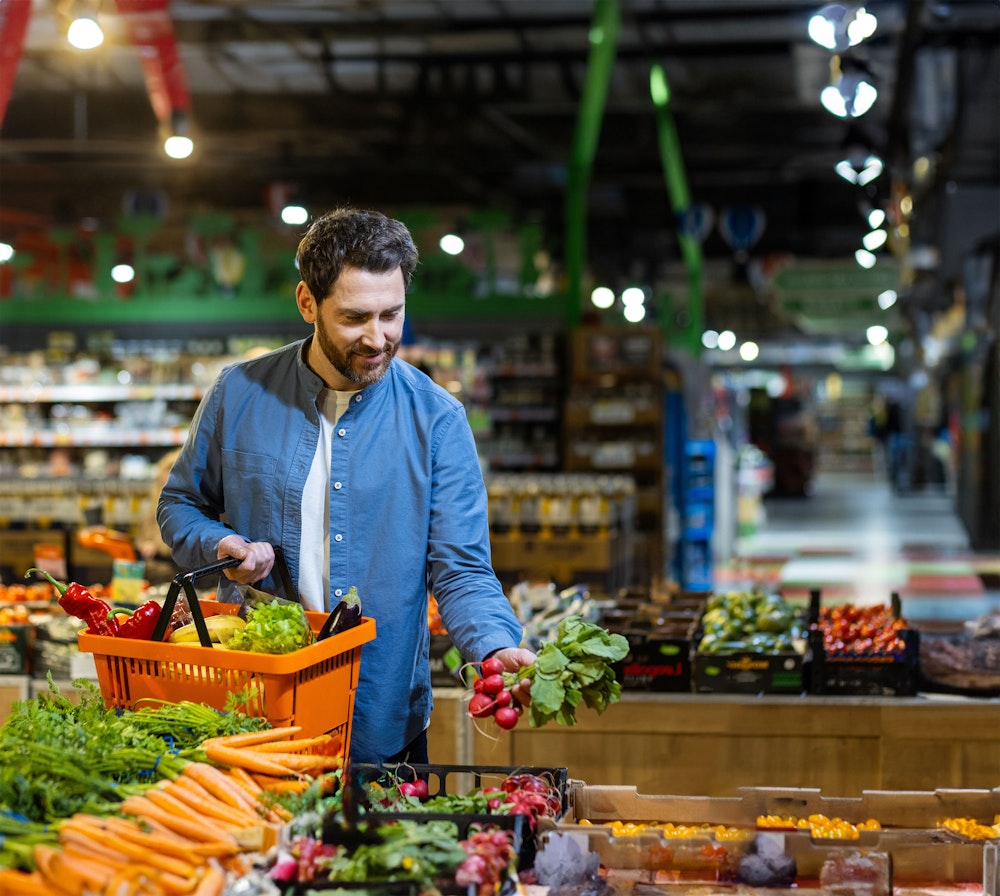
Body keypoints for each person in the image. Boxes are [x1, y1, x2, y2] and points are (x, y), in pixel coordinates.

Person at [157, 207, 535, 765]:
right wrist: (220, 547)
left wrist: (496, 646)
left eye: (392, 315)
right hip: (252, 716)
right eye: (356, 317)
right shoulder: (238, 394)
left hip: (381, 725)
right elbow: (180, 504)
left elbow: (462, 568)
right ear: (307, 303)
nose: (378, 338)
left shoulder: (438, 420)